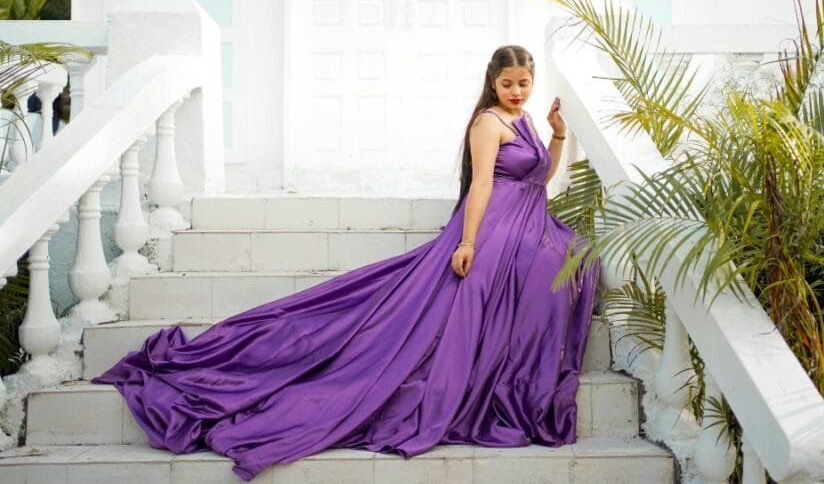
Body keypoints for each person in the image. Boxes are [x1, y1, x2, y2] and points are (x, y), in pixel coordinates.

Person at [92, 44, 600, 482]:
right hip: (494, 227)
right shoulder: (488, 123)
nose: (517, 91)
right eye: (508, 83)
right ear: (492, 82)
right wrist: (467, 243)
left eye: (524, 83)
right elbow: (483, 184)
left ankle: (521, 369)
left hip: (530, 220)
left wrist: (556, 135)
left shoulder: (525, 119)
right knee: (519, 280)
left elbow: (540, 178)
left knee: (574, 261)